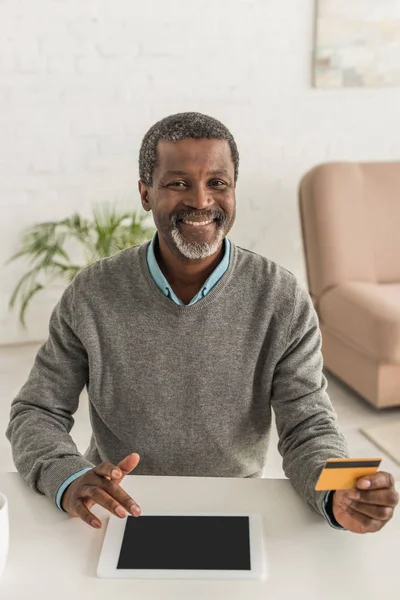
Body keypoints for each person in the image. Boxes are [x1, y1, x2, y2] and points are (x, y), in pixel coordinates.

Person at [6, 112, 398, 535]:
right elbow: (37, 410)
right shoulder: (92, 293)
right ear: (145, 193)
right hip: (118, 504)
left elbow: (309, 425)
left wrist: (336, 492)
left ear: (233, 191)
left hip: (235, 504)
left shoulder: (280, 298)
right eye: (178, 183)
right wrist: (67, 477)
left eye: (217, 183)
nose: (200, 200)